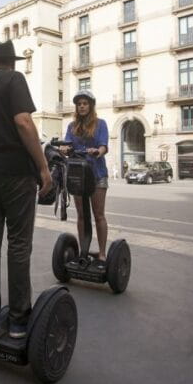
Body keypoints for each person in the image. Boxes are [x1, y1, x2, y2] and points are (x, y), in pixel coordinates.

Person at [0, 39, 52, 340]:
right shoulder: (14, 79)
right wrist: (43, 167)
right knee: (18, 243)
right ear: (12, 62)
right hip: (14, 170)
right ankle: (18, 320)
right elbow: (24, 122)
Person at [60, 90, 110, 265]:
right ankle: (84, 251)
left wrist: (98, 151)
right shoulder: (71, 127)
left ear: (91, 105)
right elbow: (66, 144)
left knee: (98, 215)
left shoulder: (100, 124)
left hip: (97, 174)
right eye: (79, 104)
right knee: (82, 215)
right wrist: (64, 149)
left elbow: (104, 146)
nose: (81, 106)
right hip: (78, 175)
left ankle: (102, 253)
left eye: (85, 103)